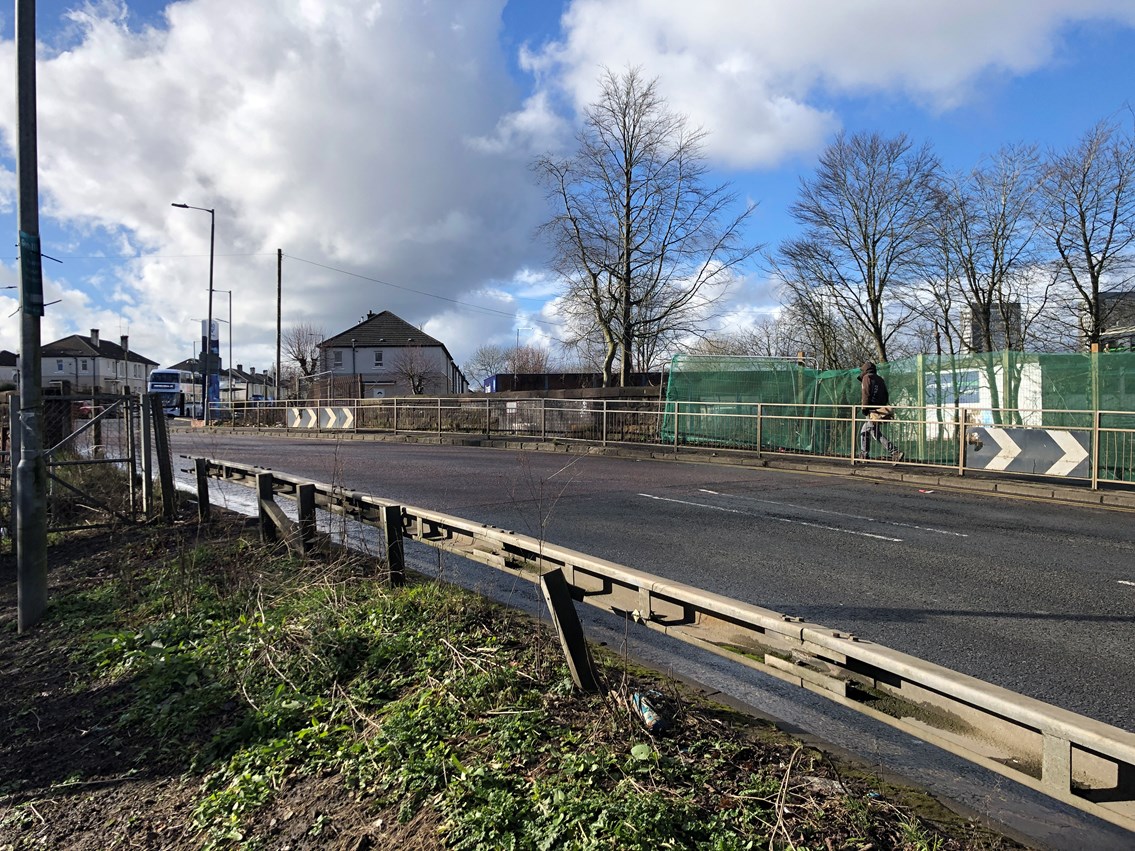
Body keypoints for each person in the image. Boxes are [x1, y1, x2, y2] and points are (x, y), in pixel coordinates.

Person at [858, 361, 903, 461]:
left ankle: (895, 452)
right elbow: (886, 395)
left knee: (868, 432)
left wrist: (864, 408)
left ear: (865, 370)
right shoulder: (880, 379)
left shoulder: (867, 378)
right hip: (879, 410)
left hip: (871, 410)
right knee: (872, 432)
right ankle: (864, 455)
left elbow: (866, 393)